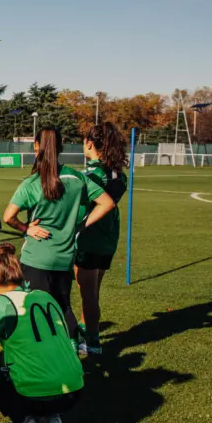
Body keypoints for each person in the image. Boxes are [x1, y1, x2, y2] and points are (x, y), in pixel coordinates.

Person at [0, 243, 84, 423]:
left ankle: (22, 420)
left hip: (35, 395)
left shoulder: (0, 304)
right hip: (73, 392)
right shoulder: (44, 296)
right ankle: (52, 417)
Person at [2, 127, 114, 340]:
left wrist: (26, 228)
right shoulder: (77, 178)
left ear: (36, 147)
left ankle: (41, 360)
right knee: (63, 309)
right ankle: (70, 351)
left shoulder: (32, 183)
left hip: (36, 258)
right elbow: (107, 203)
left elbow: (8, 217)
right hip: (64, 258)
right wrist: (81, 225)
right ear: (61, 148)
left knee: (33, 311)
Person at [75, 122, 128, 358]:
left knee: (87, 292)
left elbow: (81, 205)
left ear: (91, 143)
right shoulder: (118, 174)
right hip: (108, 235)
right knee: (92, 291)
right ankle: (86, 333)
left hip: (90, 236)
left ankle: (92, 341)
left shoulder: (92, 175)